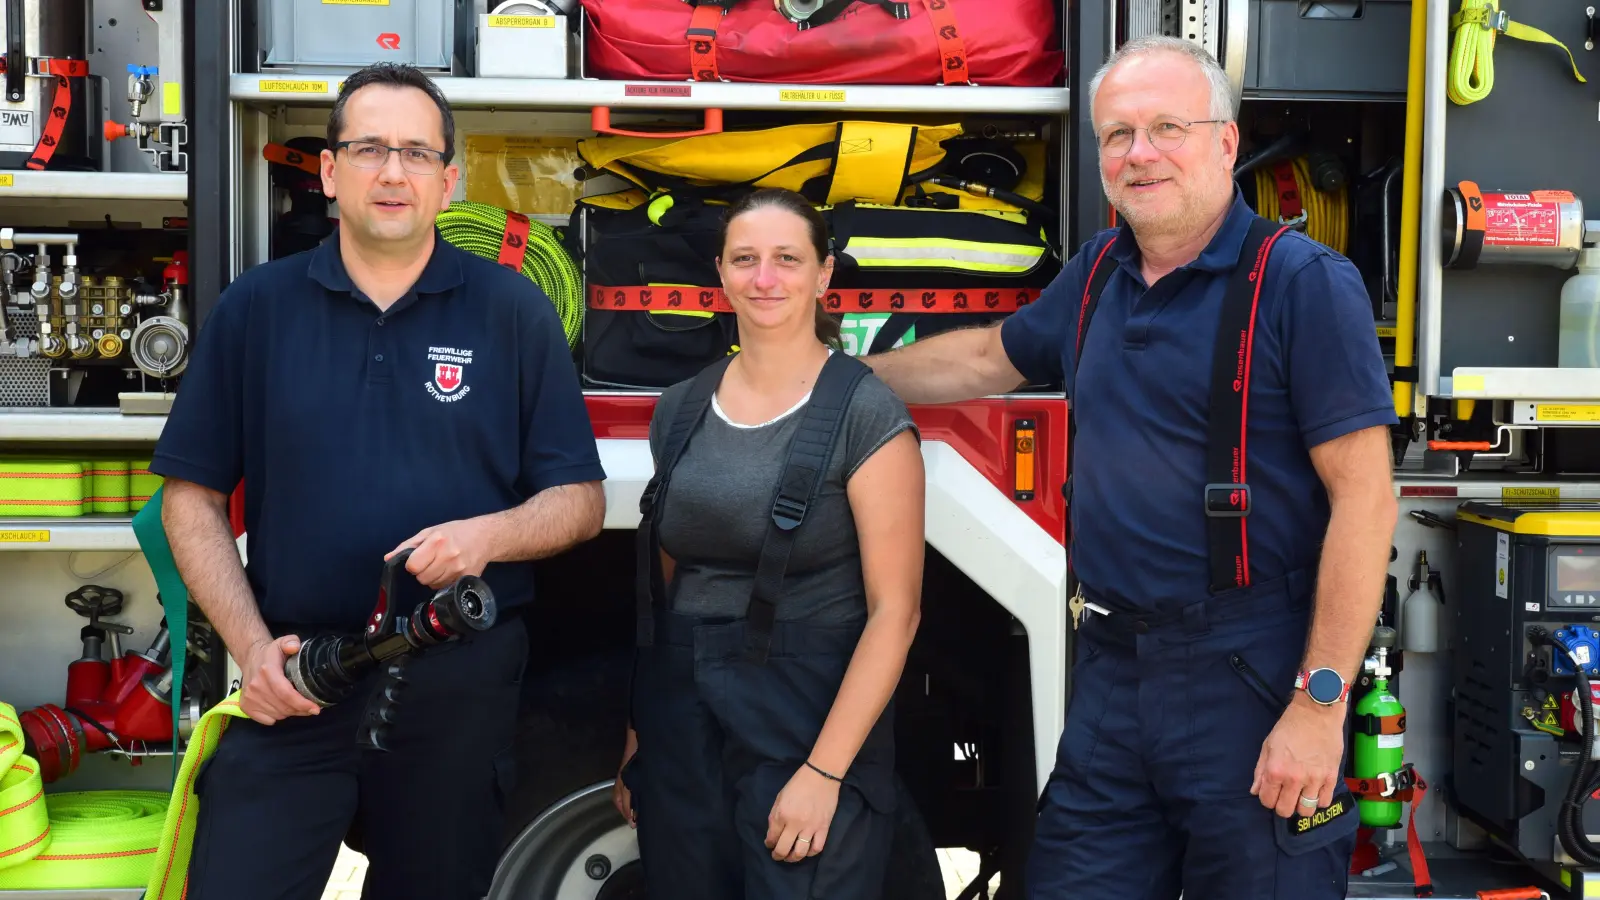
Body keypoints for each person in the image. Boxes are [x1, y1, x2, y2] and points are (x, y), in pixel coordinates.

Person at [864, 36, 1399, 900]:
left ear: (1226, 143)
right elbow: (986, 360)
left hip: (1250, 678)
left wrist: (1318, 705)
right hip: (1112, 677)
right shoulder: (1098, 276)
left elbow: (1367, 503)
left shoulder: (1302, 285)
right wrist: (833, 380)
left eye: (1165, 128)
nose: (1138, 153)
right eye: (1117, 135)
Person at [149, 62, 608, 900]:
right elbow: (191, 498)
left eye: (415, 153)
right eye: (367, 149)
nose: (392, 172)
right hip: (295, 677)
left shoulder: (513, 312)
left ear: (448, 179)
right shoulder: (257, 308)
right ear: (329, 172)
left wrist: (488, 537)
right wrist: (254, 652)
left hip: (455, 683)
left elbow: (580, 502)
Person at [609, 188, 926, 900]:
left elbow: (895, 614)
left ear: (824, 275)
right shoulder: (681, 407)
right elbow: (665, 588)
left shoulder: (866, 414)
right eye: (745, 259)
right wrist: (640, 741)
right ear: (719, 275)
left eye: (788, 259)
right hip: (684, 724)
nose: (765, 278)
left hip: (806, 720)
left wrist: (823, 775)